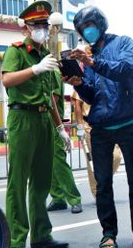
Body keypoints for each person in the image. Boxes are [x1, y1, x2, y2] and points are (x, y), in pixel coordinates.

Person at [63, 6, 133, 248]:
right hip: (100, 126)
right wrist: (77, 83)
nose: (87, 32)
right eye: (82, 29)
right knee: (103, 183)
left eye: (89, 26)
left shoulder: (124, 44)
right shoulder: (85, 58)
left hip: (127, 121)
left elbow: (125, 70)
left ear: (100, 24)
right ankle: (108, 233)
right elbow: (91, 96)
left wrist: (92, 61)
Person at [1, 0, 70, 248]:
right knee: (18, 182)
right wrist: (36, 69)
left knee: (42, 180)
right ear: (25, 28)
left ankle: (41, 235)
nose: (42, 28)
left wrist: (60, 127)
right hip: (23, 118)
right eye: (36, 24)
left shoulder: (46, 55)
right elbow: (7, 80)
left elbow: (51, 96)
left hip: (44, 119)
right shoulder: (16, 51)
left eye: (45, 24)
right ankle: (16, 240)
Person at [71, 90, 122, 198]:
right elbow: (77, 104)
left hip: (108, 124)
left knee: (116, 156)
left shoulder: (107, 77)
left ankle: (103, 182)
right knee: (93, 161)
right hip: (90, 126)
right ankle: (97, 192)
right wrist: (79, 126)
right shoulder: (83, 78)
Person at [47, 70, 82, 214]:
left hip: (53, 124)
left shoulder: (52, 73)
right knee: (47, 164)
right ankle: (57, 198)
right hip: (41, 124)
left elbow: (52, 100)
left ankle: (74, 199)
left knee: (59, 162)